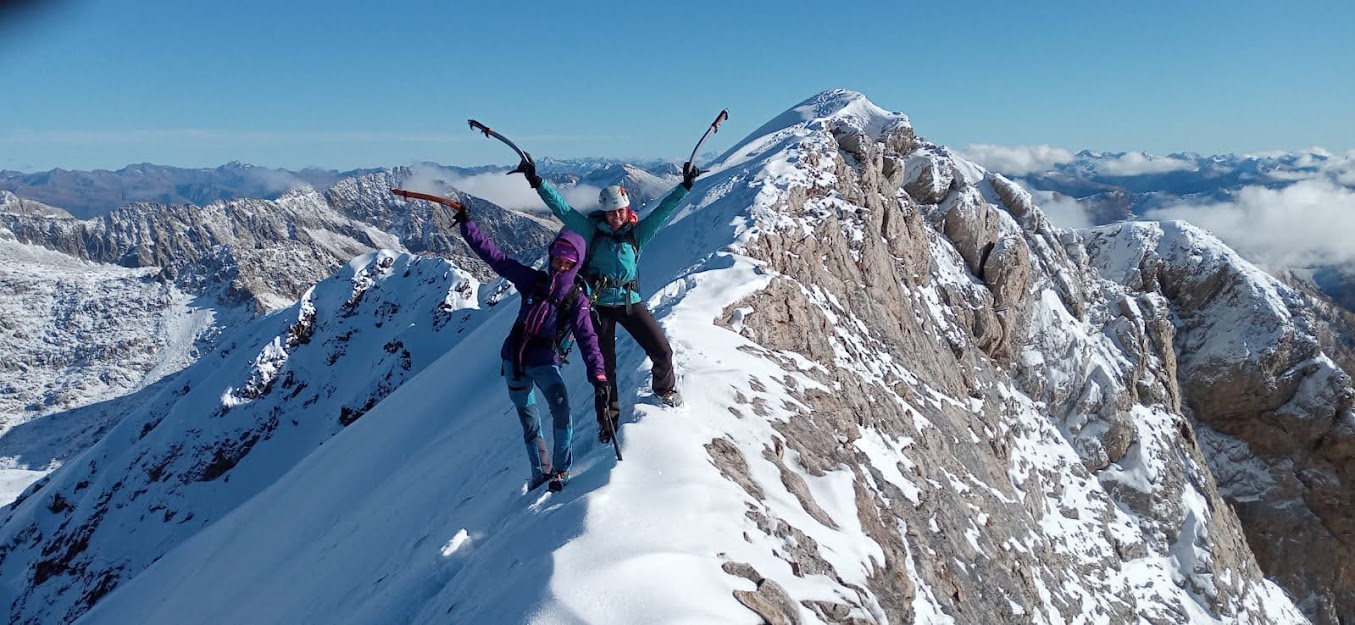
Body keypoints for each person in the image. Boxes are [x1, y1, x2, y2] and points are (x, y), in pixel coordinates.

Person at [512, 159, 701, 442]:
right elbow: (562, 209)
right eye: (612, 212)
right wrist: (537, 182)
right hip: (598, 305)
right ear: (605, 212)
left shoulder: (636, 234)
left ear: (627, 209)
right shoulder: (592, 231)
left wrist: (684, 187)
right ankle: (607, 422)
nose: (617, 216)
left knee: (662, 350)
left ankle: (664, 389)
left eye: (621, 211)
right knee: (604, 368)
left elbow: (663, 212)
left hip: (628, 302)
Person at [454, 203, 608, 492]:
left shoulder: (576, 300)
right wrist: (468, 227)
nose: (560, 265)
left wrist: (598, 375)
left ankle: (560, 470)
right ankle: (542, 474)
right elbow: (497, 258)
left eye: (567, 262)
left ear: (577, 263)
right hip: (514, 360)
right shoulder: (534, 281)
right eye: (557, 258)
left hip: (542, 361)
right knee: (531, 423)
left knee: (560, 412)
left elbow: (589, 339)